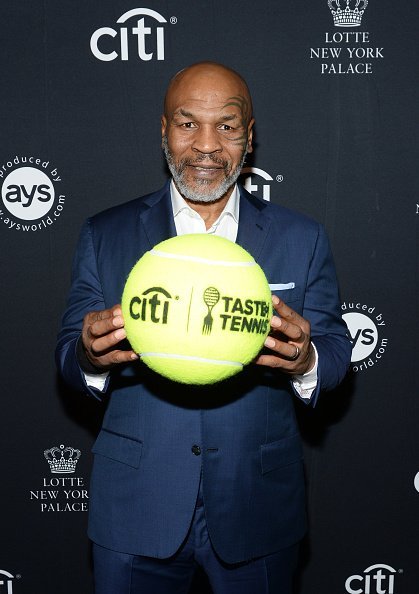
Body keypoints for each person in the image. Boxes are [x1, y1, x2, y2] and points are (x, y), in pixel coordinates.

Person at [56, 62, 351, 594]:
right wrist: (88, 356)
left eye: (227, 126)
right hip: (136, 506)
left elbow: (333, 353)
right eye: (188, 124)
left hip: (257, 505)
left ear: (250, 136)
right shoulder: (107, 233)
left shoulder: (301, 237)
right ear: (163, 129)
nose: (207, 146)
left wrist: (305, 361)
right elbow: (67, 353)